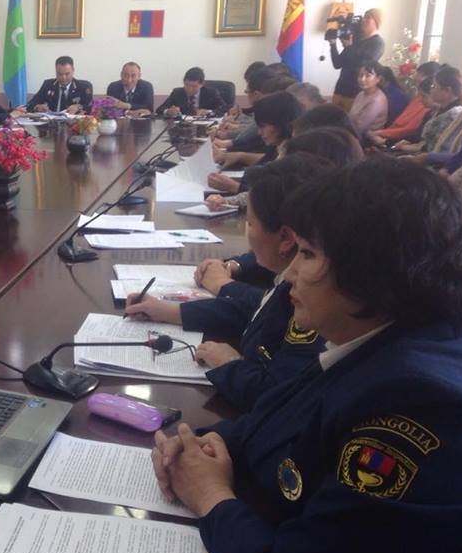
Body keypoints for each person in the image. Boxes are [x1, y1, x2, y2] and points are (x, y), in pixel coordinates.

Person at [152, 157, 462, 553]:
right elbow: (281, 417)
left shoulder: (421, 405)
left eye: (307, 254)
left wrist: (209, 496)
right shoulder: (376, 338)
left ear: (370, 271)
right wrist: (199, 444)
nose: (289, 275)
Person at [126, 155, 332, 410]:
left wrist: (231, 366)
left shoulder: (312, 303)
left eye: (250, 223)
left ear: (285, 238)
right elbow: (254, 311)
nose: (246, 231)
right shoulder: (289, 284)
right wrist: (168, 311)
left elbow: (281, 399)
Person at [198, 126, 364, 290]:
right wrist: (235, 265)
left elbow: (276, 303)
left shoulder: (328, 272)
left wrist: (224, 285)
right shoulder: (310, 242)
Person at [207, 91, 302, 195]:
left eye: (263, 126)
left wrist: (234, 187)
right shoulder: (278, 147)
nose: (259, 132)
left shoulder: (294, 157)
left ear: (281, 124)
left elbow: (273, 196)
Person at [368, 62, 439, 146]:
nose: (415, 77)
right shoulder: (420, 100)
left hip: (397, 139)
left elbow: (410, 130)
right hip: (392, 135)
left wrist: (382, 136)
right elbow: (400, 122)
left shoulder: (428, 108)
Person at [328, 7, 385, 110]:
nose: (363, 20)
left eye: (368, 17)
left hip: (356, 92)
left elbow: (361, 67)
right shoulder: (355, 40)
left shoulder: (378, 43)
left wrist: (349, 47)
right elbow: (337, 64)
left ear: (377, 22)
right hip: (340, 88)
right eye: (364, 17)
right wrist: (332, 44)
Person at [22, 56, 93, 114]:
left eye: (67, 74)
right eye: (60, 74)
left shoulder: (84, 86)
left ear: (73, 70)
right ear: (55, 71)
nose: (63, 77)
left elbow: (90, 106)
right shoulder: (48, 85)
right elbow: (30, 104)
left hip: (74, 125)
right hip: (50, 124)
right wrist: (37, 107)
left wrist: (78, 107)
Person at [156, 67, 227, 117]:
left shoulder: (211, 93)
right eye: (187, 85)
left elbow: (225, 108)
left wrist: (208, 112)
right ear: (183, 82)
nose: (190, 89)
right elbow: (159, 110)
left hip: (204, 128)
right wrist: (168, 111)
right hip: (182, 128)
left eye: (194, 86)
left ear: (202, 84)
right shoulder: (177, 93)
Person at [347, 60, 389, 138]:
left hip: (366, 139)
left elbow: (359, 128)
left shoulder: (377, 100)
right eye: (360, 75)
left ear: (378, 79)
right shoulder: (361, 94)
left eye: (367, 76)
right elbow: (351, 117)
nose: (362, 79)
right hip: (353, 133)